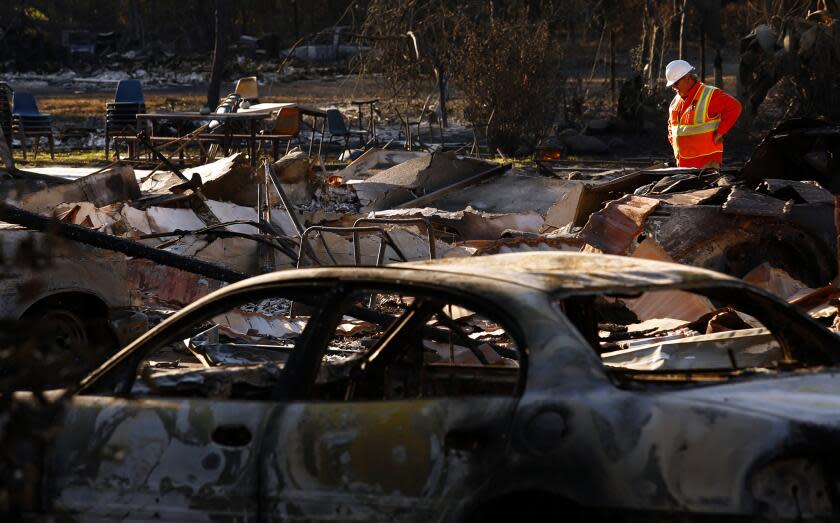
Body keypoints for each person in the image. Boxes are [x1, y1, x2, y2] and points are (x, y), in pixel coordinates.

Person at [665, 59, 742, 169]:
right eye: (671, 84)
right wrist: (675, 143)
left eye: (675, 83)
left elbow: (735, 107)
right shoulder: (675, 101)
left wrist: (720, 132)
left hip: (707, 166)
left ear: (687, 77)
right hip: (683, 165)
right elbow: (671, 126)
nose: (673, 87)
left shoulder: (710, 95)